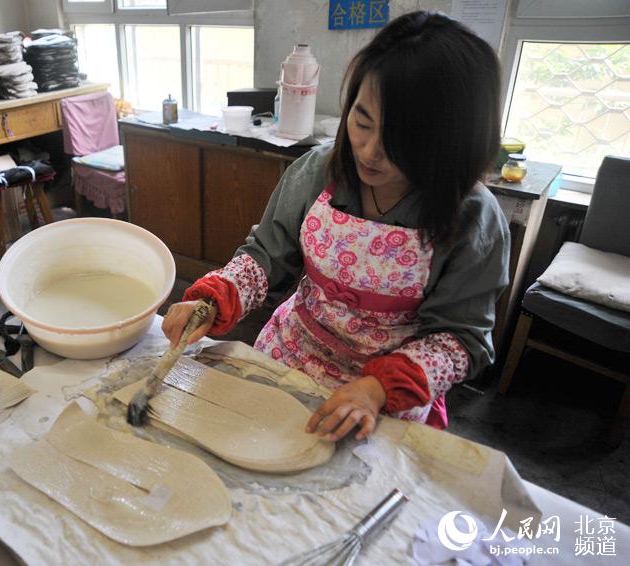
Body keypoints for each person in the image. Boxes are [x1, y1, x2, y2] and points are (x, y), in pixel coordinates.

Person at [163, 11, 510, 443]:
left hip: (384, 396)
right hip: (291, 355)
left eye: (401, 141)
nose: (370, 151)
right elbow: (266, 257)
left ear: (451, 142)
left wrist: (377, 388)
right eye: (362, 122)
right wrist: (215, 298)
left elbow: (461, 339)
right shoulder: (318, 170)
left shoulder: (473, 217)